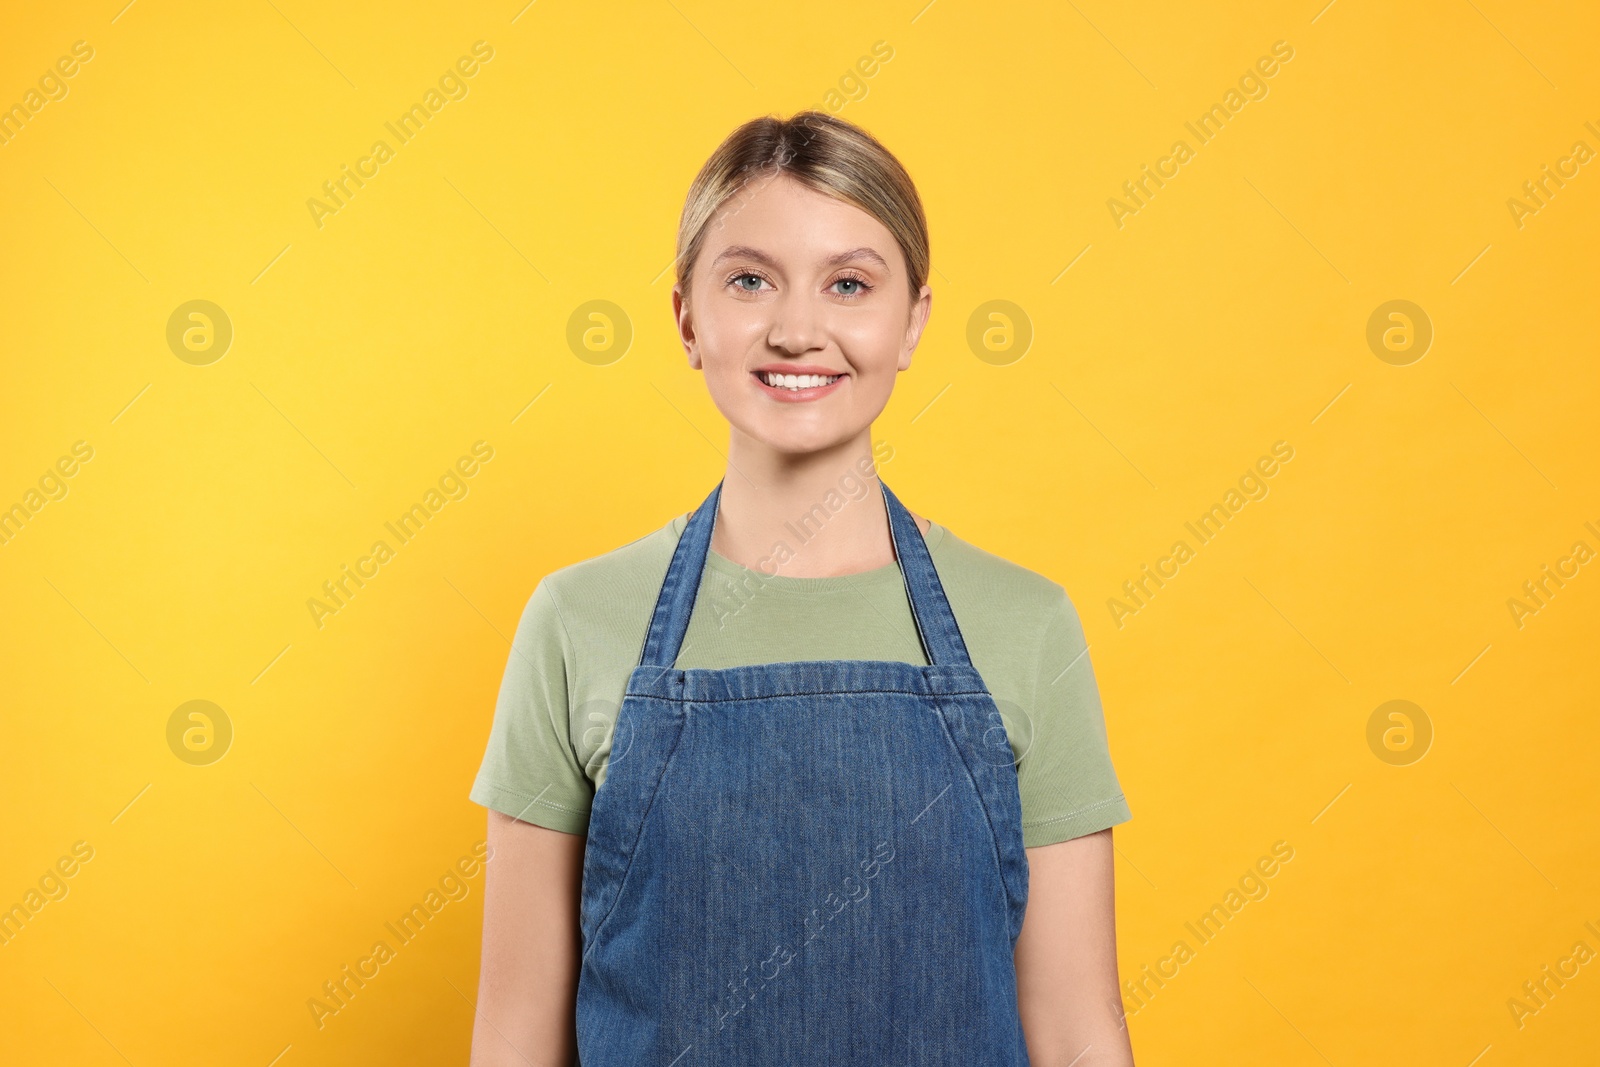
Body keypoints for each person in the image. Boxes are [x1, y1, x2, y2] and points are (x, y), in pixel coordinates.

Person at [468, 110, 1135, 1066]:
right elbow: (515, 1038)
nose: (796, 329)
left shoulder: (1026, 625)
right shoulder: (576, 622)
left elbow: (1076, 1031)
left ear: (911, 323)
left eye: (850, 284)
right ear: (687, 319)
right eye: (749, 280)